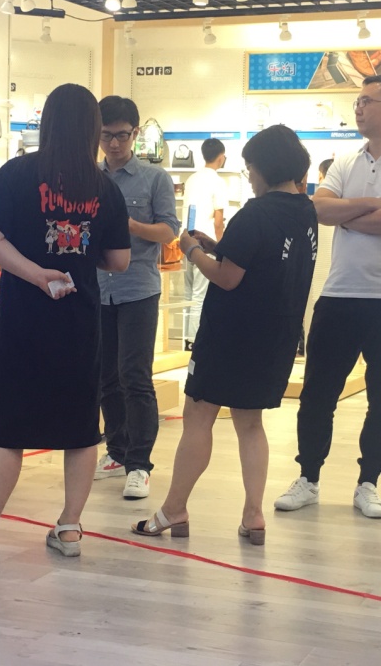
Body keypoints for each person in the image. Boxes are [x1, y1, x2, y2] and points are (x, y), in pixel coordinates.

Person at [0, 83, 130, 564]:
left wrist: (35, 273)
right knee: (81, 429)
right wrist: (77, 257)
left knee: (11, 429)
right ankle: (69, 529)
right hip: (80, 321)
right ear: (92, 128)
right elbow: (119, 261)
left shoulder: (18, 173)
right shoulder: (103, 187)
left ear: (47, 123)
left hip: (25, 320)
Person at [132, 125, 317, 545]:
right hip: (275, 335)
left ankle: (173, 508)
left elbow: (228, 278)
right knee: (250, 424)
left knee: (198, 417)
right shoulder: (305, 211)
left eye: (250, 168)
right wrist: (218, 246)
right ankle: (253, 515)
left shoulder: (255, 213)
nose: (249, 177)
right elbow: (263, 260)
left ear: (265, 167)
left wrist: (193, 250)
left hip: (229, 334)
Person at [273, 74, 381, 519]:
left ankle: (369, 483)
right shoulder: (345, 161)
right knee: (317, 394)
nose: (358, 107)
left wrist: (349, 212)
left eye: (367, 101)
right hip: (340, 294)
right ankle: (308, 478)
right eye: (357, 100)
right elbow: (319, 208)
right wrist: (376, 204)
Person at [95, 96, 181, 500]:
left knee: (135, 376)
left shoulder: (154, 178)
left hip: (138, 289)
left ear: (135, 133)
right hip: (97, 289)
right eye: (106, 136)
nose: (114, 144)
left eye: (122, 135)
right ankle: (116, 451)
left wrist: (127, 224)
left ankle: (140, 464)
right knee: (105, 377)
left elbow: (169, 231)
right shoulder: (88, 177)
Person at [182, 138, 229, 351]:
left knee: (188, 293)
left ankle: (186, 339)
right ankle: (194, 340)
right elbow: (218, 221)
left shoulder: (192, 179)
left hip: (186, 240)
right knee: (201, 294)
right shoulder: (218, 182)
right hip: (206, 243)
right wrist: (221, 247)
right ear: (221, 157)